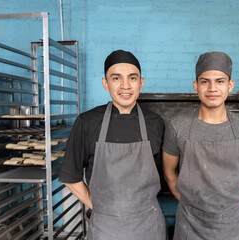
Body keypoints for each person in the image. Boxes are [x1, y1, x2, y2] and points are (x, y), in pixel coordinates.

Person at [59, 50, 166, 240]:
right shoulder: (87, 122)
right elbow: (70, 175)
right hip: (105, 229)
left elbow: (164, 172)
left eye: (132, 78)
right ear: (105, 83)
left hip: (149, 226)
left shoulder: (156, 123)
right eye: (116, 78)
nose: (125, 85)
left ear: (141, 83)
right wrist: (97, 205)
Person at [163, 51, 239, 240]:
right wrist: (191, 203)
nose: (212, 88)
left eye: (220, 81)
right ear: (196, 86)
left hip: (233, 226)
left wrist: (223, 202)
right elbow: (169, 173)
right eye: (205, 81)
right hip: (190, 225)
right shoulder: (177, 126)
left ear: (230, 86)